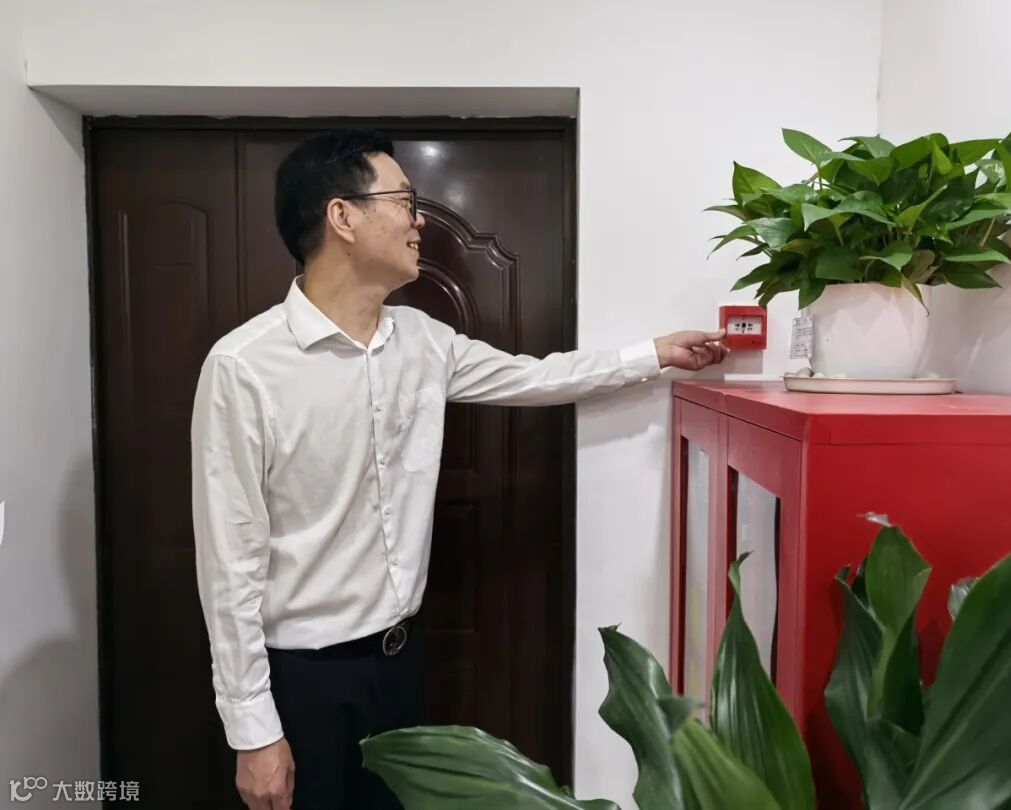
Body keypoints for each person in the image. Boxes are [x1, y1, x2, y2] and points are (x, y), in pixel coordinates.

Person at [190, 129, 728, 810]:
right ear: (342, 216)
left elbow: (539, 378)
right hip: (302, 681)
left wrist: (655, 354)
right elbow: (229, 564)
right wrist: (253, 730)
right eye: (404, 201)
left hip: (401, 662)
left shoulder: (422, 341)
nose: (419, 221)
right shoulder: (244, 367)